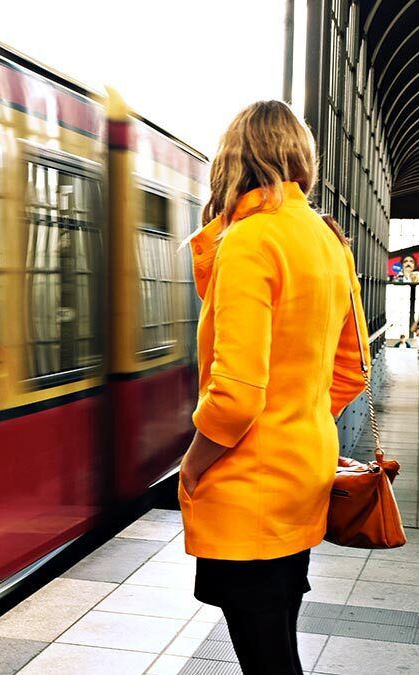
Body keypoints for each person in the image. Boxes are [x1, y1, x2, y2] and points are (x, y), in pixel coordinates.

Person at [179, 101, 370, 675]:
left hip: (248, 490)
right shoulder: (327, 239)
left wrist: (191, 466)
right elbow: (351, 370)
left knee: (268, 660)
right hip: (304, 477)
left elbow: (236, 394)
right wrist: (297, 417)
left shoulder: (250, 241)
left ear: (233, 160)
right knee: (277, 643)